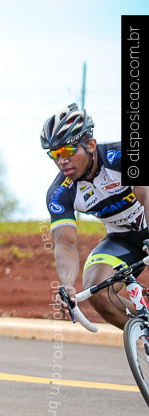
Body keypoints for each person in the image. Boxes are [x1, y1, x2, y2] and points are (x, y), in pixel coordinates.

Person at [42, 103, 149, 329]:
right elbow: (66, 244)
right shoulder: (60, 193)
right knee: (96, 288)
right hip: (122, 238)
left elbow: (145, 194)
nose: (61, 161)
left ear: (90, 145)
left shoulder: (121, 155)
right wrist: (68, 285)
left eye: (68, 151)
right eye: (54, 154)